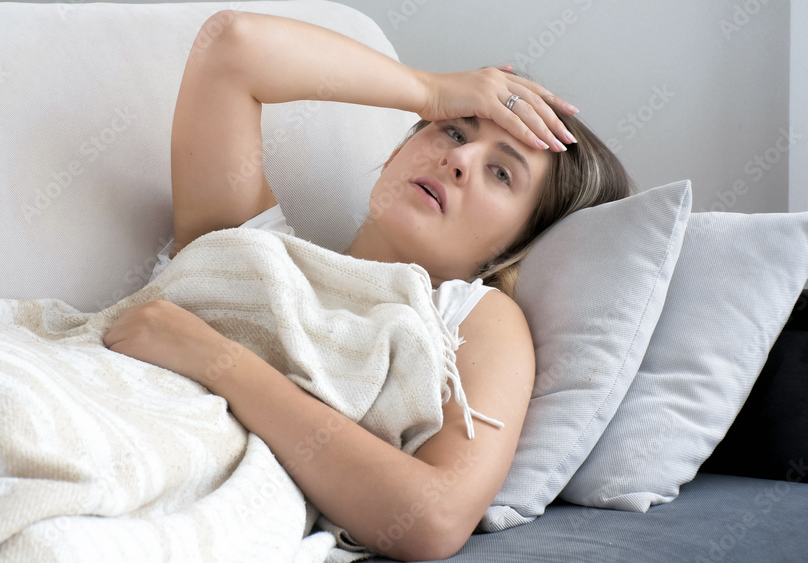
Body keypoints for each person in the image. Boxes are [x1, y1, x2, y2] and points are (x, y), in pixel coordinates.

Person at [103, 9, 633, 561]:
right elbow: (231, 46)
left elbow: (434, 519)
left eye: (502, 173)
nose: (458, 157)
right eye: (453, 129)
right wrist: (430, 89)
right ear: (394, 151)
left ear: (517, 244)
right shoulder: (249, 244)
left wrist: (213, 358)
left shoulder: (471, 318)